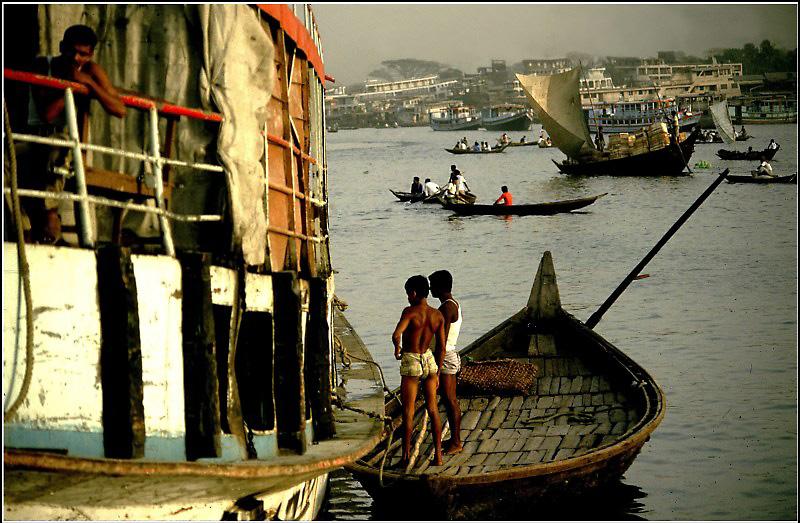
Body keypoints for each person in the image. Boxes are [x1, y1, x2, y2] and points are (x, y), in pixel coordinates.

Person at [22, 24, 126, 244]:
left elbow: (120, 109)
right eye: (72, 51)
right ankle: (21, 228)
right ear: (62, 47)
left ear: (91, 54)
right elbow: (47, 114)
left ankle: (49, 216)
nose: (76, 58)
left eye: (83, 54)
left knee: (57, 149)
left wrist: (88, 83)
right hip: (32, 136)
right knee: (7, 160)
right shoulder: (44, 64)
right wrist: (71, 86)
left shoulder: (91, 70)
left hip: (59, 139)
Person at [392, 275, 445, 467]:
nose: (407, 297)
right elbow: (442, 347)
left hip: (412, 360)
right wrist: (437, 373)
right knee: (433, 409)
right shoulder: (437, 315)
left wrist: (397, 349)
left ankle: (405, 458)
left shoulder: (409, 312)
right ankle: (439, 457)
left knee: (408, 411)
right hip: (429, 360)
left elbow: (396, 334)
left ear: (413, 293)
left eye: (408, 293)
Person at [428, 270, 463, 455]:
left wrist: (436, 368)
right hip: (448, 355)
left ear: (440, 287)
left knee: (450, 400)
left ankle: (457, 442)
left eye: (432, 285)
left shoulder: (446, 309)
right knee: (449, 400)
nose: (430, 289)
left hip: (446, 357)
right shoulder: (451, 304)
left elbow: (441, 343)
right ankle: (455, 439)